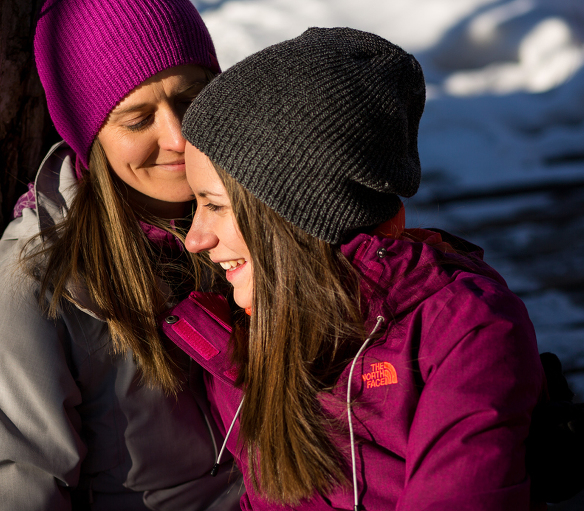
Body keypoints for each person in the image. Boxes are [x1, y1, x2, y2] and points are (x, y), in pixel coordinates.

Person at [161, 27, 559, 510]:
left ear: (299, 212)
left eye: (215, 205)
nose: (196, 239)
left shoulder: (458, 332)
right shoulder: (248, 327)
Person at [0, 1, 242, 509]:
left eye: (191, 99)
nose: (178, 137)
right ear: (90, 136)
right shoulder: (27, 295)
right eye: (138, 119)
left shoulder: (268, 222)